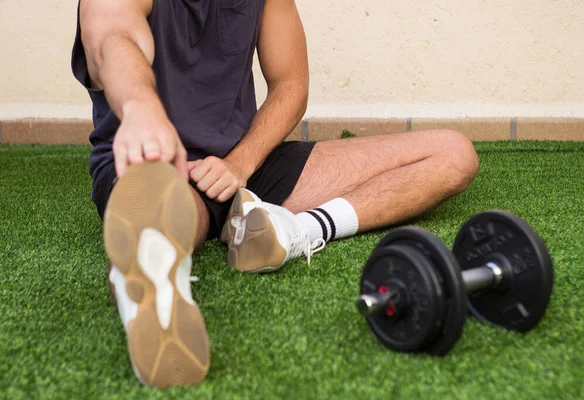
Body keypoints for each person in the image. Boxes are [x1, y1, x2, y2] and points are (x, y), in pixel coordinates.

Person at [71, 0, 479, 389]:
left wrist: (240, 163)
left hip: (247, 166)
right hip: (157, 163)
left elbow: (291, 84)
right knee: (153, 202)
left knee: (451, 154)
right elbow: (111, 35)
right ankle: (149, 273)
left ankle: (292, 230)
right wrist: (142, 108)